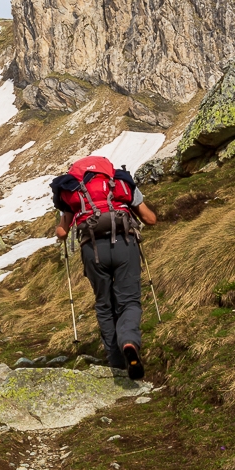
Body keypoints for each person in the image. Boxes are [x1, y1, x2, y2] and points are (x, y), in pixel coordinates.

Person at [50, 156, 157, 379]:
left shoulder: (72, 189)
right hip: (125, 245)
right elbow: (150, 219)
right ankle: (129, 342)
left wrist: (62, 230)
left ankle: (116, 362)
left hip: (93, 249)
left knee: (104, 304)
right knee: (129, 300)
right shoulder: (120, 182)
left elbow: (62, 232)